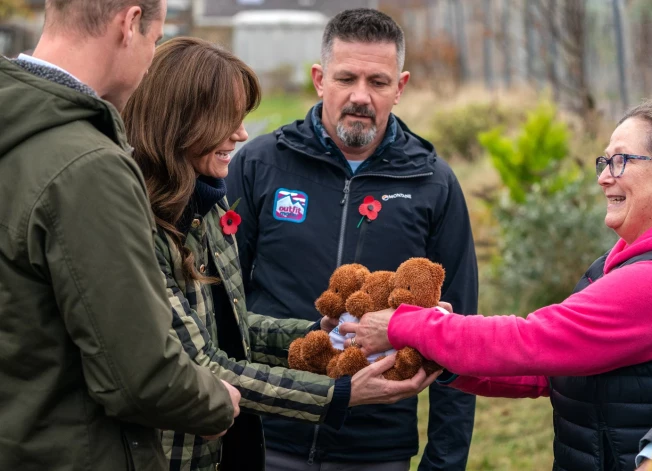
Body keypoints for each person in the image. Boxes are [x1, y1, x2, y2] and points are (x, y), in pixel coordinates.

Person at [121, 36, 438, 471]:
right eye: (226, 121)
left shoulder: (208, 209)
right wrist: (338, 394)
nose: (241, 134)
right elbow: (203, 364)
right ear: (181, 123)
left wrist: (322, 335)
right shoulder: (138, 225)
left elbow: (229, 327)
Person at [345, 99, 652, 471]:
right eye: (604, 162)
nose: (604, 176)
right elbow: (549, 368)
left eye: (622, 160)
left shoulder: (650, 280)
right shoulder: (615, 266)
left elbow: (531, 340)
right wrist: (436, 354)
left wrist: (404, 324)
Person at [226, 8, 478, 471]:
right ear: (320, 79)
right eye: (347, 78)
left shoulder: (432, 183)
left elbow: (459, 333)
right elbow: (223, 303)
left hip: (377, 447)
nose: (361, 96)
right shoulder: (259, 165)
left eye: (378, 82)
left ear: (400, 87)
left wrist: (444, 460)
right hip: (268, 435)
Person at [0, 1, 244, 470]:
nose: (152, 60)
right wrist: (215, 404)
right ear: (130, 24)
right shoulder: (88, 166)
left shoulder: (20, 130)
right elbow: (140, 375)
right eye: (156, 41)